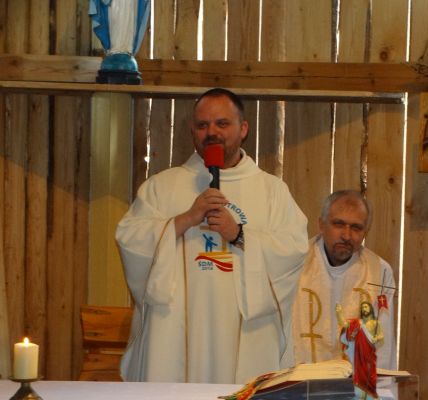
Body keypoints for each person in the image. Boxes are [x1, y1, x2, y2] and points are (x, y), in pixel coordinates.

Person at [116, 88, 309, 384]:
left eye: (222, 123)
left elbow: (293, 250)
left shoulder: (272, 192)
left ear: (243, 129)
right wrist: (185, 220)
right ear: (192, 131)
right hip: (175, 330)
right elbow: (130, 238)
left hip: (244, 332)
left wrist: (239, 234)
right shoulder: (162, 187)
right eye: (202, 125)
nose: (212, 133)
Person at [292, 190, 396, 371]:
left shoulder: (379, 272)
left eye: (356, 228)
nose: (347, 235)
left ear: (365, 232)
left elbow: (383, 345)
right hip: (300, 381)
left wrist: (379, 385)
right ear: (321, 225)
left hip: (353, 385)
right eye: (338, 224)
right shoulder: (295, 263)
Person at [336, 300, 383, 399]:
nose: (364, 309)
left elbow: (381, 336)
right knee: (358, 374)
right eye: (362, 308)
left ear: (370, 309)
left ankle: (370, 395)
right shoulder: (357, 323)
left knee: (370, 375)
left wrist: (376, 338)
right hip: (358, 354)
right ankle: (360, 395)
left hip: (369, 354)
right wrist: (339, 313)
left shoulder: (376, 323)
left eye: (366, 307)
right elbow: (345, 324)